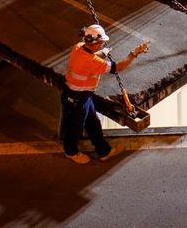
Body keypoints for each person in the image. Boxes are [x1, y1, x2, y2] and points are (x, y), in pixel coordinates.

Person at [62, 24, 149, 164]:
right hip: (77, 97)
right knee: (75, 127)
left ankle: (104, 151)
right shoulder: (92, 62)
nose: (102, 45)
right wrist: (134, 53)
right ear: (95, 44)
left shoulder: (78, 46)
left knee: (93, 123)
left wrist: (104, 52)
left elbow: (91, 55)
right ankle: (71, 152)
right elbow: (118, 67)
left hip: (81, 95)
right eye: (101, 43)